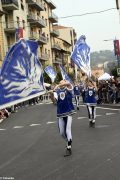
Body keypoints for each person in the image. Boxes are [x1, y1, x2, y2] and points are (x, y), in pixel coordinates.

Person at [49, 80, 76, 156]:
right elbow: (54, 101)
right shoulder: (56, 91)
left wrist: (57, 85)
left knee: (68, 130)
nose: (61, 83)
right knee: (61, 133)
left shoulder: (68, 88)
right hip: (60, 114)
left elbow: (69, 83)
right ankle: (68, 142)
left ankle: (69, 148)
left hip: (68, 113)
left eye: (62, 82)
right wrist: (51, 94)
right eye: (60, 82)